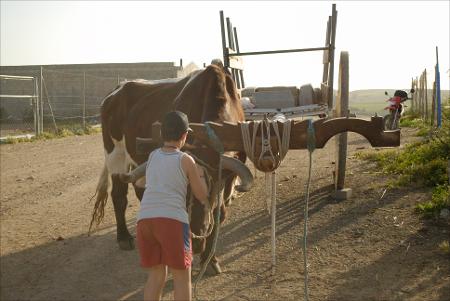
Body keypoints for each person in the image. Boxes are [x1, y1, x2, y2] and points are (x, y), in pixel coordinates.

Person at [134, 111, 209, 301]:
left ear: (162, 134)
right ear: (184, 136)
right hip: (172, 221)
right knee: (182, 276)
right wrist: (199, 174)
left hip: (145, 220)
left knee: (157, 274)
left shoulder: (152, 156)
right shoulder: (186, 160)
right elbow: (201, 195)